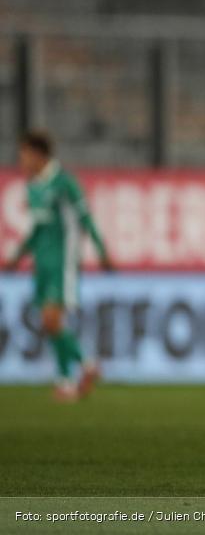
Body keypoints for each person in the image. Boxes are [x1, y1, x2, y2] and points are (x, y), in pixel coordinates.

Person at [4, 130, 113, 402]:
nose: (21, 161)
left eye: (24, 155)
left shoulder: (65, 183)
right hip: (42, 263)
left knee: (52, 319)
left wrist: (101, 251)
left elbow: (86, 218)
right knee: (50, 322)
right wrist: (18, 256)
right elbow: (36, 230)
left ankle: (83, 367)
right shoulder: (33, 187)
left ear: (38, 155)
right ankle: (69, 379)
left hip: (63, 262)